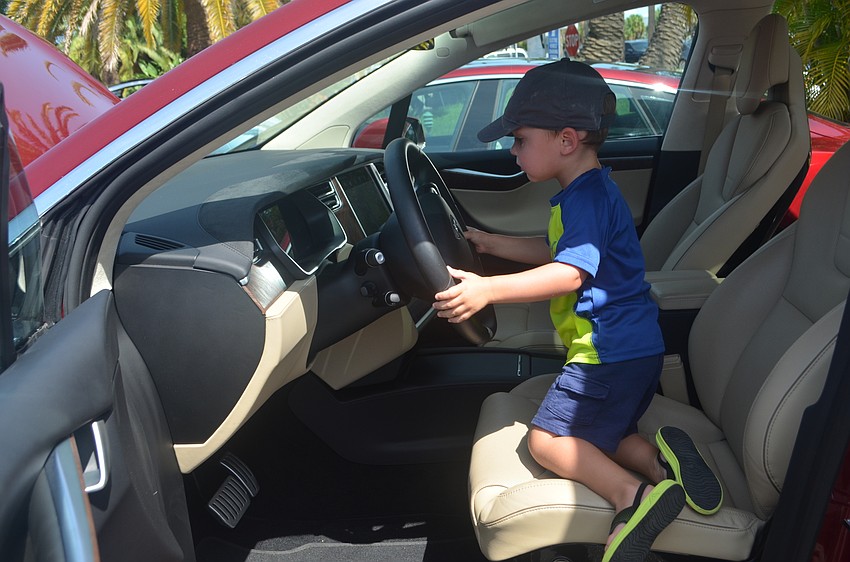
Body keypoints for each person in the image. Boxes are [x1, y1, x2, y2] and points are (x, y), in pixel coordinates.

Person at [432, 59, 721, 561]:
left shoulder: (584, 202)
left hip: (603, 357)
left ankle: (632, 499)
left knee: (547, 441)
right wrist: (488, 241)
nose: (513, 150)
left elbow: (570, 274)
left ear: (566, 140)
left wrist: (488, 290)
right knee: (603, 435)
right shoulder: (589, 192)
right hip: (631, 352)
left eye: (520, 139)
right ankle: (663, 467)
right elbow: (557, 252)